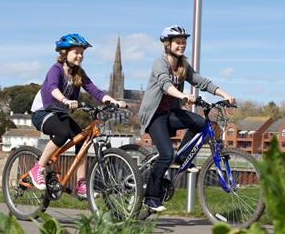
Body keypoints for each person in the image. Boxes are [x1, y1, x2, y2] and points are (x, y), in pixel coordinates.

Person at [138, 25, 236, 212]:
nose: (181, 45)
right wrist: (182, 96)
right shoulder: (161, 62)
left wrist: (223, 94)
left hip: (171, 113)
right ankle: (150, 197)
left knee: (200, 123)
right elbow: (165, 84)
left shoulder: (183, 65)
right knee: (166, 153)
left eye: (183, 42)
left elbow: (201, 81)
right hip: (154, 115)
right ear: (167, 44)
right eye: (178, 42)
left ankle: (181, 159)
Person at [29, 33, 126, 199]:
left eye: (82, 53)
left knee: (82, 140)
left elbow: (94, 90)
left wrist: (112, 101)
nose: (80, 56)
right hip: (43, 112)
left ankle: (81, 184)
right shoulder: (56, 69)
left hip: (60, 114)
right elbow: (52, 88)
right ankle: (38, 167)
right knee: (62, 133)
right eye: (76, 52)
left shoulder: (79, 74)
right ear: (65, 53)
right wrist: (65, 100)